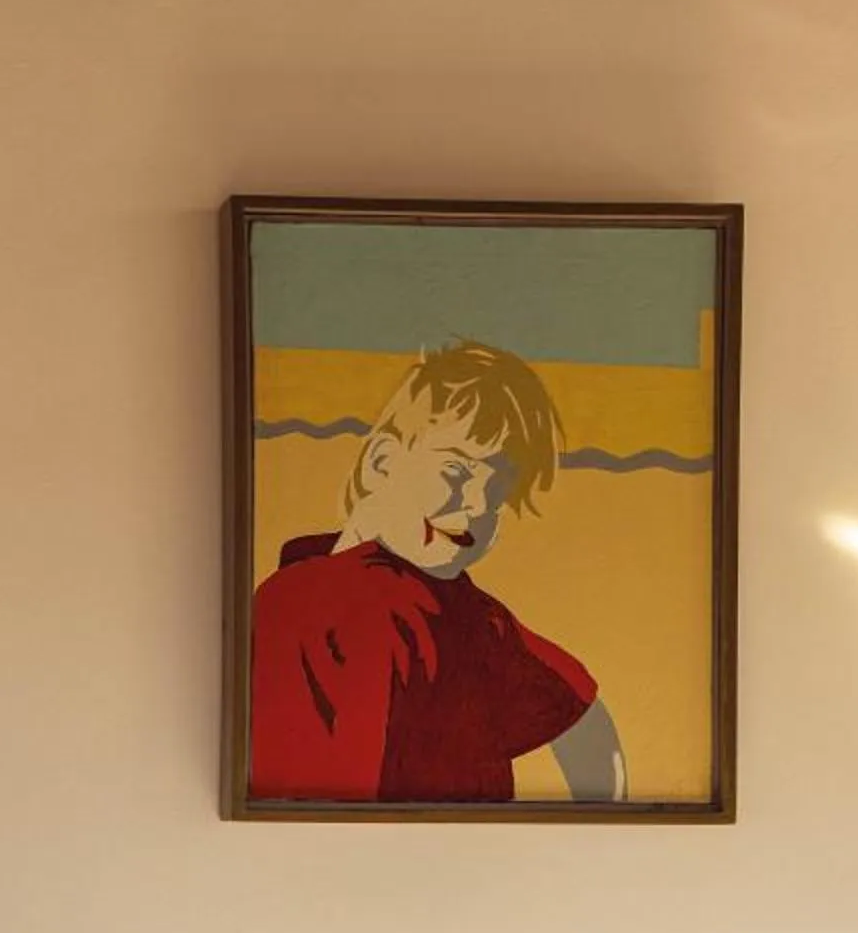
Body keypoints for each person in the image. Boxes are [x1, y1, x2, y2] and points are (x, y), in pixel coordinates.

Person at [249, 340, 626, 804]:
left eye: (500, 486)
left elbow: (582, 717)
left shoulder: (471, 615)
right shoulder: (314, 596)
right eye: (457, 470)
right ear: (381, 462)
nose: (479, 505)